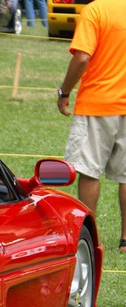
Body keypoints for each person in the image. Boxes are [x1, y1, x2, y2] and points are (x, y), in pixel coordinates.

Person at [57, 0, 126, 253]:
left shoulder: (95, 10)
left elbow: (83, 57)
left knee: (89, 172)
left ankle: (91, 238)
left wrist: (64, 91)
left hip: (97, 104)